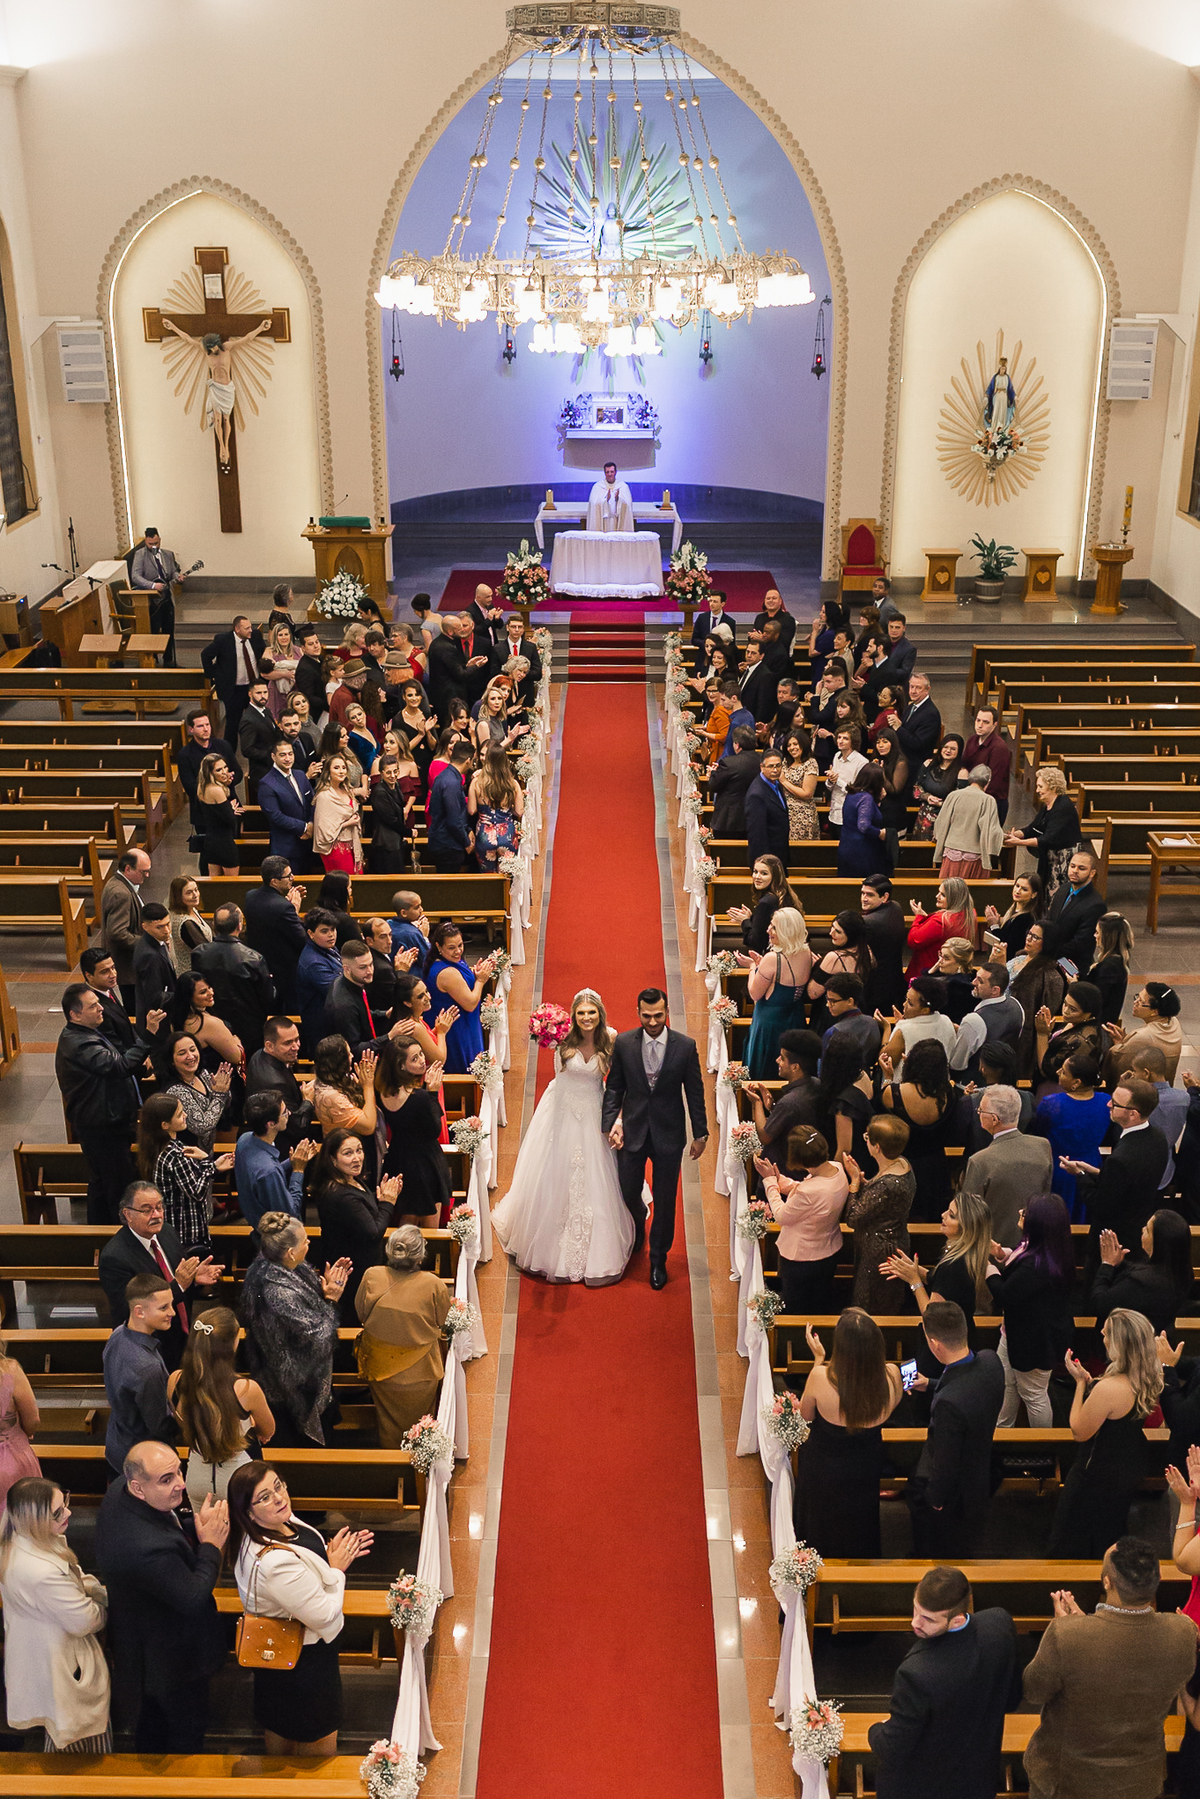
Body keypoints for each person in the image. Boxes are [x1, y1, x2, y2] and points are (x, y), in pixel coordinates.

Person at [1023, 1536, 1196, 1799]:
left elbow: (1034, 1691)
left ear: (1107, 1582)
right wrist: (1083, 1628)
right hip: (1141, 1780)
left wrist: (1069, 1630)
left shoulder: (1066, 1636)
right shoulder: (1183, 1631)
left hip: (1070, 1780)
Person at [227, 1459, 371, 1757]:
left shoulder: (278, 1523)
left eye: (277, 1485)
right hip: (303, 1666)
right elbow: (326, 1617)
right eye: (264, 1497)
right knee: (316, 1738)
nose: (278, 1497)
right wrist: (336, 1571)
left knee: (281, 1726)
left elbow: (307, 1559)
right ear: (248, 1511)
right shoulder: (275, 1563)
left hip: (281, 1656)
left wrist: (326, 1563)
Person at [492, 990, 637, 1285]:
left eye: (591, 1013)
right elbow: (558, 1075)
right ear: (573, 1015)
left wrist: (616, 1119)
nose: (586, 1018)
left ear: (600, 1013)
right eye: (581, 1013)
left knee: (596, 1176)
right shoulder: (560, 1036)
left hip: (594, 1109)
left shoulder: (610, 1038)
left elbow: (617, 1083)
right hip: (562, 1108)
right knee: (555, 1170)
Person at [94, 1440, 228, 1753]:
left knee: (153, 1720)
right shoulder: (146, 1548)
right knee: (181, 1730)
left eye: (179, 1471)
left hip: (142, 1636)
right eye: (166, 1480)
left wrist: (190, 1528)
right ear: (138, 1488)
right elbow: (193, 1595)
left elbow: (168, 1528)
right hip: (169, 1658)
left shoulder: (120, 1491)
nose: (181, 1484)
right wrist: (211, 1544)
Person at [868, 1565, 1018, 1799]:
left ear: (957, 1620)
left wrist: (876, 1730)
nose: (915, 1623)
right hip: (977, 1779)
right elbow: (1011, 1699)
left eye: (928, 1619)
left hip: (921, 1787)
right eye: (916, 1609)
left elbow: (891, 1748)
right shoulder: (999, 1623)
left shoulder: (916, 1673)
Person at [601, 988, 709, 1289]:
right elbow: (615, 1087)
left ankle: (658, 1258)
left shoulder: (685, 1047)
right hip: (633, 1130)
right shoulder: (624, 1043)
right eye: (646, 1016)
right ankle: (637, 1224)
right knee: (626, 1190)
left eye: (658, 1016)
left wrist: (700, 1133)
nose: (652, 1021)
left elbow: (695, 1092)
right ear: (638, 1012)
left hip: (668, 1133)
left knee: (665, 1200)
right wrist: (609, 1124)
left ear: (667, 1012)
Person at [0, 1477, 111, 1752]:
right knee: (79, 1742)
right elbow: (86, 1620)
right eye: (57, 1512)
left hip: (41, 1650)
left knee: (62, 1730)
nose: (69, 1513)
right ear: (33, 1520)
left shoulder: (20, 1539)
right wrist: (104, 1605)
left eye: (66, 1502)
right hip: (59, 1658)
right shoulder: (39, 1572)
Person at [1050, 1308, 1162, 1555]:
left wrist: (1080, 1385)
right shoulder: (1146, 1374)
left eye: (1107, 1332)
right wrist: (1093, 1385)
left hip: (1097, 1473)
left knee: (1072, 1535)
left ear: (1120, 1343)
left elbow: (1079, 1431)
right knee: (1109, 1529)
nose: (1102, 1333)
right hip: (1126, 1464)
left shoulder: (1110, 1388)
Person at [790, 1309, 902, 1557]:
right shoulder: (893, 1377)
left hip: (823, 1468)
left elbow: (805, 1417)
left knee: (820, 1521)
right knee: (858, 1519)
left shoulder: (821, 1378)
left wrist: (819, 1359)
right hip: (865, 1466)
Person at [239, 1212, 352, 1446]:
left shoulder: (275, 1263)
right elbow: (320, 1337)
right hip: (292, 1385)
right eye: (305, 1241)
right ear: (290, 1252)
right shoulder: (277, 1291)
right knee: (298, 1443)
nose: (309, 1243)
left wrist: (323, 1287)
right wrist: (331, 1300)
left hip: (282, 1371)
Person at [55, 982, 159, 1224]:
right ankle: (117, 1237)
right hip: (102, 1126)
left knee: (102, 1185)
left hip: (105, 1121)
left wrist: (138, 1068)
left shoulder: (87, 1033)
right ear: (75, 1014)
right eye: (93, 1006)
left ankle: (99, 1234)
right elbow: (117, 1066)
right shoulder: (79, 1042)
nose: (101, 1008)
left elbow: (116, 1063)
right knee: (117, 1187)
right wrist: (147, 1037)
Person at [906, 1299, 1004, 1557]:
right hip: (979, 1471)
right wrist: (930, 1384)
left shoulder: (949, 1404)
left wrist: (935, 1500)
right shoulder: (991, 1361)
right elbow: (969, 1386)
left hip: (955, 1494)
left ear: (934, 1344)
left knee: (937, 1544)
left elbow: (946, 1462)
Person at [97, 1181, 223, 1367]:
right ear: (127, 1214)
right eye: (147, 1210)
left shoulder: (167, 1233)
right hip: (152, 1347)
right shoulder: (115, 1258)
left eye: (159, 1207)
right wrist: (179, 1284)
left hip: (181, 1332)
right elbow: (130, 1309)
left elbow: (176, 1278)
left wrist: (194, 1279)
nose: (156, 1215)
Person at [166, 1305, 274, 1503]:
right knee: (245, 1533)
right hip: (239, 1474)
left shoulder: (175, 1380)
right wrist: (245, 1423)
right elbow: (267, 1431)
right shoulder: (245, 1389)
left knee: (204, 1531)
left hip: (197, 1474)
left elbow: (188, 1422)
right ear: (233, 1343)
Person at [882, 1192, 994, 1381]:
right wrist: (914, 1270)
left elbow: (931, 1315)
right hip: (960, 1334)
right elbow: (939, 1280)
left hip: (943, 1345)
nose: (942, 1215)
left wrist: (914, 1281)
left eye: (951, 1215)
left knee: (922, 1394)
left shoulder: (954, 1266)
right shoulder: (966, 1253)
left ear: (965, 1228)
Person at [987, 1192, 1075, 1427]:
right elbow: (1021, 1256)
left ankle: (1042, 1443)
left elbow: (1007, 1294)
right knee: (1006, 1383)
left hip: (1034, 1341)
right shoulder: (1045, 1248)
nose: (1020, 1212)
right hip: (1014, 1332)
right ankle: (1003, 1429)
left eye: (1026, 1212)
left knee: (1033, 1395)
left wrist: (987, 1267)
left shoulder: (1037, 1266)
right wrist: (1001, 1254)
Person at [1061, 1077, 1169, 1258]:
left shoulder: (1120, 1159)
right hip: (1140, 1225)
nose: (1108, 1104)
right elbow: (1131, 1180)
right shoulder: (1158, 1137)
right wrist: (1094, 1171)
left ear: (1133, 1114)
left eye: (1116, 1103)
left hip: (1114, 1241)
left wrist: (1079, 1174)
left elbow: (1100, 1205)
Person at [309, 1126, 401, 1318]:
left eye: (359, 1150)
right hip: (352, 1271)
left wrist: (379, 1202)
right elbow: (373, 1232)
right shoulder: (342, 1195)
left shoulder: (350, 1180)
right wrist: (387, 1203)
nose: (357, 1158)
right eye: (348, 1153)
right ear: (333, 1160)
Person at [757, 1126, 849, 1313]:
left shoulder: (809, 1192)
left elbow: (782, 1215)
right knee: (820, 1302)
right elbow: (812, 1192)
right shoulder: (837, 1169)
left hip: (802, 1260)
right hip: (829, 1251)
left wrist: (770, 1183)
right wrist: (779, 1179)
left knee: (797, 1307)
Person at [880, 1038, 972, 1224]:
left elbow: (882, 1121)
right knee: (934, 1220)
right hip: (936, 1169)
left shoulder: (893, 1093)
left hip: (901, 1166)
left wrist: (888, 1078)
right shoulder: (950, 1094)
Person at [136, 1090, 233, 1258]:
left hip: (175, 1226)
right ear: (165, 1124)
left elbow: (188, 1180)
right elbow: (196, 1192)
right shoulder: (175, 1155)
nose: (185, 1115)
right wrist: (213, 1167)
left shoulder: (162, 1146)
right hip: (185, 1231)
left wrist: (208, 1163)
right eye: (180, 1114)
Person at [959, 1083, 1053, 1246]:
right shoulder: (1043, 1146)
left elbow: (969, 1217)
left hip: (993, 1248)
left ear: (994, 1119)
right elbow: (1046, 1192)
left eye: (981, 1111)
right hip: (1034, 1245)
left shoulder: (980, 1161)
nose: (979, 1114)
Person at [102, 1272, 177, 1473]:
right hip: (142, 1456)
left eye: (171, 1304)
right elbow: (160, 1427)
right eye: (164, 1308)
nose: (173, 1312)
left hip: (118, 1437)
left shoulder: (118, 1334)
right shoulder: (147, 1368)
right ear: (139, 1311)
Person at [844, 1113, 915, 1310]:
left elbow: (852, 1218)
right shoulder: (902, 1162)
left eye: (867, 1138)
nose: (865, 1140)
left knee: (872, 1305)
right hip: (893, 1241)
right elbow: (883, 1203)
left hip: (880, 1252)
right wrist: (867, 1187)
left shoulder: (888, 1185)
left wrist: (855, 1181)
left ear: (877, 1147)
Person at [377, 1039, 453, 1222]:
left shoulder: (381, 1091)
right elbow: (434, 1130)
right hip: (425, 1162)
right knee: (429, 1224)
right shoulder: (419, 1097)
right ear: (401, 1066)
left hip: (398, 1158)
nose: (422, 1060)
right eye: (414, 1058)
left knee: (406, 1216)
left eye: (421, 1053)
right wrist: (433, 1093)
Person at [1090, 1208, 1193, 1338]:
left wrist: (1107, 1264)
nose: (1142, 1229)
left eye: (1148, 1230)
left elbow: (1100, 1304)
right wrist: (1120, 1264)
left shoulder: (1143, 1283)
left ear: (1158, 1242)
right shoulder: (1179, 1272)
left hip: (1134, 1348)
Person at [1032, 1052, 1111, 1221]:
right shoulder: (1106, 1101)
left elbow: (1039, 1134)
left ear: (1076, 1082)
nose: (1058, 1072)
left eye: (1064, 1071)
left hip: (1060, 1167)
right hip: (1092, 1165)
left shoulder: (1051, 1104)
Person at [193, 903, 275, 1056]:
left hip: (210, 1026)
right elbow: (268, 998)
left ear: (214, 926)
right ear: (239, 926)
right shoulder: (253, 959)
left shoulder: (199, 954)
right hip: (249, 1029)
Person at [741, 907, 811, 1079]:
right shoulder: (806, 952)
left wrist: (753, 967)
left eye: (773, 928)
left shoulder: (773, 959)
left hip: (769, 1023)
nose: (768, 930)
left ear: (786, 931)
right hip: (794, 1018)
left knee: (764, 1069)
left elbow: (754, 994)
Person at [741, 1029, 825, 1168]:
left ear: (795, 1067)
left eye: (782, 1058)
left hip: (784, 1168)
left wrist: (757, 1103)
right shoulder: (816, 1083)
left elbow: (765, 1136)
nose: (777, 1060)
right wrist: (773, 1107)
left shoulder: (789, 1102)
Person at [234, 1092, 318, 1230]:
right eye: (285, 1112)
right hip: (274, 1237)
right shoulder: (269, 1171)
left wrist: (292, 1162)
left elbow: (263, 1175)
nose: (289, 1114)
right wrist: (298, 1170)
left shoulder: (245, 1139)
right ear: (271, 1124)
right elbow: (290, 1214)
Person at [425, 922, 496, 1073]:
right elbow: (470, 1003)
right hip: (457, 1031)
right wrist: (481, 981)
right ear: (438, 947)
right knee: (465, 1068)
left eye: (460, 945)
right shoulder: (447, 973)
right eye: (451, 948)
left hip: (464, 1024)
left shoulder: (452, 961)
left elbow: (462, 982)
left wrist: (474, 974)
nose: (458, 951)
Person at [1005, 764, 1082, 901]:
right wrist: (1017, 834)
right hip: (1050, 856)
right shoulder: (1048, 804)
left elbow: (1048, 839)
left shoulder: (1063, 808)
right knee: (1044, 890)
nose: (1037, 790)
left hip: (1062, 860)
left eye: (1040, 786)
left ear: (1052, 787)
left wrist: (1019, 843)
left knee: (1056, 895)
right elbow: (1034, 827)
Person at [243, 855, 308, 1013]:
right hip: (283, 970)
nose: (292, 878)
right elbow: (302, 940)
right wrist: (294, 909)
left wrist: (285, 903)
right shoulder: (284, 908)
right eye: (288, 876)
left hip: (258, 963)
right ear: (274, 881)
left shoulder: (250, 896)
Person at [246, 1015, 316, 1145]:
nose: (296, 1047)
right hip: (282, 1148)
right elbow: (297, 1127)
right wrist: (307, 1101)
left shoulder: (258, 1055)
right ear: (270, 1046)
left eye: (297, 1040)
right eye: (288, 1043)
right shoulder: (276, 1083)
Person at [201, 613, 267, 747]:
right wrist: (214, 674)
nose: (251, 630)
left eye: (250, 627)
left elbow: (263, 653)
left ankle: (258, 747)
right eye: (247, 628)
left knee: (259, 719)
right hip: (234, 690)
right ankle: (229, 752)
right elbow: (205, 655)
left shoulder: (255, 636)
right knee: (232, 723)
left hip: (253, 687)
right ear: (237, 629)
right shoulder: (223, 640)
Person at [807, 911, 876, 1037]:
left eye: (838, 932)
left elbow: (813, 993)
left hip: (833, 1017)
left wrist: (817, 968)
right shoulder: (867, 952)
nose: (831, 933)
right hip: (858, 1014)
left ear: (851, 935)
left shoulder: (834, 958)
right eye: (832, 928)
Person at [949, 961, 1023, 1077]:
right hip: (1006, 1079)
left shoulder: (974, 1020)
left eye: (980, 981)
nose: (973, 982)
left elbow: (957, 1064)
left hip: (975, 1085)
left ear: (995, 990)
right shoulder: (1016, 1005)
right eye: (976, 978)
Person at [1105, 979, 1184, 1085]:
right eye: (1137, 997)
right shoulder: (1174, 1022)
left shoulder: (1143, 1036)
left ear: (1154, 1012)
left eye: (1140, 1001)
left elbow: (1118, 1063)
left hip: (1144, 1092)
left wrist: (1119, 1045)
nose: (1135, 1002)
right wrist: (1127, 1041)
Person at [101, 847, 152, 1012]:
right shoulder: (120, 893)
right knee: (135, 1009)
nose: (147, 875)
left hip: (129, 963)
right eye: (143, 872)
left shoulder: (121, 884)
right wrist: (146, 943)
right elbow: (117, 933)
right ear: (128, 869)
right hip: (127, 965)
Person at [932, 765, 1005, 880]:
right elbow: (991, 830)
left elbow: (941, 823)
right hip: (974, 856)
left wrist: (938, 839)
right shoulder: (988, 800)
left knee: (948, 892)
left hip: (951, 853)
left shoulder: (953, 795)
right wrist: (1004, 837)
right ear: (988, 782)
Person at [1043, 845, 1106, 976]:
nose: (1075, 871)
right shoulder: (1064, 889)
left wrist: (1049, 952)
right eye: (1072, 866)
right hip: (1051, 957)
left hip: (1072, 965)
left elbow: (1081, 943)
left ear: (1092, 873)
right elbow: (1050, 920)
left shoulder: (1095, 904)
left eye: (1081, 868)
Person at [877, 975, 958, 1077]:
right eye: (906, 999)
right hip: (940, 1084)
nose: (904, 1004)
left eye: (910, 1003)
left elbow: (885, 1060)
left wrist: (887, 1029)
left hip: (907, 1088)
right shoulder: (946, 1021)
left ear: (925, 1010)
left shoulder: (904, 1030)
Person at [1034, 979, 1106, 1089]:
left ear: (1088, 1013)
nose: (1065, 1011)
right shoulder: (1075, 1022)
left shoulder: (1082, 1041)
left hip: (1057, 1090)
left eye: (1073, 1009)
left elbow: (1047, 1070)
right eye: (1065, 1004)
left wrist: (1042, 1034)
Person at [170, 970, 245, 1073]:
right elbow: (237, 1057)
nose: (211, 993)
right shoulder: (210, 1024)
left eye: (209, 988)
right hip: (218, 1081)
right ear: (189, 998)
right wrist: (237, 1041)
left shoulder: (176, 1021)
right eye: (203, 992)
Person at [258, 738, 315, 870]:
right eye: (282, 755)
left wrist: (311, 823)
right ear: (273, 756)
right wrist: (304, 827)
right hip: (286, 849)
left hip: (308, 845)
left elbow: (312, 802)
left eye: (290, 754)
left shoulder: (300, 775)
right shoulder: (267, 783)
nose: (287, 758)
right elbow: (275, 816)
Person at [129, 526, 184, 664]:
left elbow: (172, 572)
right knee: (154, 628)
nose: (153, 547)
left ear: (160, 539)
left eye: (156, 543)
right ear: (145, 541)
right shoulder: (141, 554)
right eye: (150, 544)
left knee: (168, 628)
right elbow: (135, 576)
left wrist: (178, 577)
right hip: (151, 598)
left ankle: (169, 659)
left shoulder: (168, 554)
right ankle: (152, 658)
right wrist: (152, 585)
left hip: (167, 596)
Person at [905, 877, 977, 981]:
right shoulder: (970, 914)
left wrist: (918, 917)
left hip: (930, 972)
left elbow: (913, 940)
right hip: (954, 971)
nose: (937, 896)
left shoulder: (941, 921)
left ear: (954, 898)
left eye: (943, 895)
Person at [726, 854, 798, 954]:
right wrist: (752, 918)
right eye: (755, 872)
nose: (757, 877)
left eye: (764, 873)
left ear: (774, 876)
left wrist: (744, 922)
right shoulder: (784, 894)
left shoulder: (766, 903)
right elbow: (764, 927)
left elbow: (756, 941)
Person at [468, 742, 524, 872]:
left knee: (488, 877)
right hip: (507, 835)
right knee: (507, 876)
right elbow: (519, 811)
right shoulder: (513, 784)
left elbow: (471, 810)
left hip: (484, 835)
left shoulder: (476, 782)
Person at [297, 908, 344, 1054]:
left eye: (333, 929)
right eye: (324, 931)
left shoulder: (328, 948)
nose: (331, 935)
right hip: (323, 1029)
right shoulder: (314, 963)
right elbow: (339, 991)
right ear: (311, 934)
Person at [860, 874, 908, 1012]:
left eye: (869, 895)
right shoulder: (895, 907)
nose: (864, 898)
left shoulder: (869, 922)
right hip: (894, 978)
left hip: (874, 985)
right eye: (862, 893)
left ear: (884, 897)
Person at [427, 740, 476, 871]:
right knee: (448, 888)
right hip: (448, 845)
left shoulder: (444, 777)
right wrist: (466, 842)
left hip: (443, 841)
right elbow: (453, 820)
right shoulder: (452, 783)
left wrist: (468, 829)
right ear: (468, 760)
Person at [312, 753, 363, 874]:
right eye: (336, 768)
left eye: (343, 768)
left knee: (357, 880)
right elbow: (323, 830)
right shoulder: (324, 796)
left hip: (352, 843)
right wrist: (347, 823)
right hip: (334, 848)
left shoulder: (346, 790)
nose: (341, 771)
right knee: (343, 883)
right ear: (328, 773)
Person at [961, 704, 1012, 823]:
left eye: (985, 722)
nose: (980, 725)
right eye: (978, 720)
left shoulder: (999, 748)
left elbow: (994, 782)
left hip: (991, 803)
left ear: (994, 725)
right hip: (972, 796)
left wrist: (973, 800)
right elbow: (964, 765)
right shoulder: (972, 740)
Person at [131, 901, 176, 1035]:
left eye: (168, 924)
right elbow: (155, 997)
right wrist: (182, 994)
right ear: (145, 927)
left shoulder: (154, 942)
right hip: (156, 1022)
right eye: (159, 927)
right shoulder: (150, 956)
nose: (166, 931)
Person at [194, 752, 242, 875]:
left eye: (225, 767)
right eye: (219, 770)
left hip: (211, 841)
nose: (225, 772)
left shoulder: (201, 787)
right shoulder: (216, 790)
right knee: (231, 884)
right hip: (224, 842)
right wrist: (231, 809)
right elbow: (231, 820)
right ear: (210, 773)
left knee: (215, 883)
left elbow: (213, 813)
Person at [838, 762, 890, 876]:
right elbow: (864, 825)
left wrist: (878, 800)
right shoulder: (866, 798)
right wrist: (880, 833)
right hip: (862, 852)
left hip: (847, 847)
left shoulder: (852, 794)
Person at [820, 971, 882, 1065]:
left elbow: (824, 1069)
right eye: (827, 1000)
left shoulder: (833, 1032)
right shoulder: (872, 1023)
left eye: (833, 1001)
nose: (828, 1005)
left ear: (850, 1001)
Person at [709, 727, 763, 836]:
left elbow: (713, 785)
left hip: (730, 820)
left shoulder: (729, 763)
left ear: (737, 745)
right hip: (756, 817)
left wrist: (712, 774)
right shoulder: (763, 760)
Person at [743, 746, 790, 867]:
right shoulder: (757, 794)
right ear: (762, 767)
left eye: (778, 766)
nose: (775, 770)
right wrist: (763, 865)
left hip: (779, 852)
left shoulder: (775, 783)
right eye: (771, 766)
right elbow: (757, 835)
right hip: (768, 858)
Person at [911, 734, 965, 839]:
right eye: (945, 747)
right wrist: (927, 797)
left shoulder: (962, 773)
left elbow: (961, 802)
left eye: (953, 749)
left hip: (946, 818)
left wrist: (940, 803)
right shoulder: (928, 764)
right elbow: (916, 788)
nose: (948, 751)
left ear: (959, 752)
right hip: (924, 817)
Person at [238, 677, 281, 797]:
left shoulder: (266, 710)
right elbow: (247, 749)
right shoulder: (249, 719)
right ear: (250, 694)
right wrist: (270, 756)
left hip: (274, 767)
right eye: (259, 693)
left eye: (265, 692)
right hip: (262, 771)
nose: (263, 696)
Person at [1090, 912, 1133, 1026]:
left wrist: (1075, 984)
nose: (1095, 936)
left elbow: (1097, 1000)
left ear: (1106, 937)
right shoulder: (1116, 960)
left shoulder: (1110, 967)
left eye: (1098, 932)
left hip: (1098, 1027)